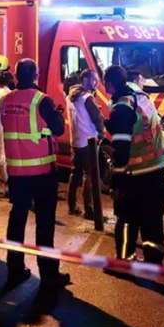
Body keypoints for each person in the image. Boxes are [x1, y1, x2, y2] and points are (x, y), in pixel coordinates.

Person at [0, 58, 70, 290]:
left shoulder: (6, 101)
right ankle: (48, 275)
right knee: (44, 223)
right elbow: (58, 129)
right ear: (36, 75)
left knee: (17, 220)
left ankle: (14, 269)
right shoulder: (42, 100)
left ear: (16, 75)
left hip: (16, 171)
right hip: (42, 171)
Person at [104, 65, 164, 264]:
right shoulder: (140, 95)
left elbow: (121, 151)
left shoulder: (121, 109)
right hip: (157, 168)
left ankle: (125, 261)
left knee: (126, 218)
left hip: (136, 174)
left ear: (109, 84)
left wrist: (116, 182)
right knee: (153, 220)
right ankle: (154, 261)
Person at [66, 69, 105, 218]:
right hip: (89, 141)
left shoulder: (70, 96)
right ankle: (90, 210)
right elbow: (97, 118)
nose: (97, 83)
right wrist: (101, 133)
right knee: (90, 176)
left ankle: (72, 205)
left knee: (75, 173)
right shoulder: (87, 98)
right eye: (94, 79)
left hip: (75, 141)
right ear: (85, 80)